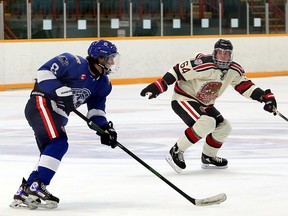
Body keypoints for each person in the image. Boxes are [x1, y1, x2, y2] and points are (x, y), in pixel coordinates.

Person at [10, 39, 120, 209]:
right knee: (58, 143)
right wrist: (60, 90)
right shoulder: (72, 62)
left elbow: (95, 112)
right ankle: (38, 186)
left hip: (58, 114)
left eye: (113, 58)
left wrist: (105, 129)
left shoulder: (103, 83)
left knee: (50, 152)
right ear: (97, 58)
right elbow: (43, 72)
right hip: (42, 103)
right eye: (109, 58)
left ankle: (25, 190)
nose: (112, 62)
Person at [140, 39, 277, 173]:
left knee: (224, 127)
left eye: (226, 53)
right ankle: (176, 151)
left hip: (205, 103)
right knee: (207, 122)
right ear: (214, 53)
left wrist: (263, 97)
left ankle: (208, 156)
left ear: (231, 55)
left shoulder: (234, 69)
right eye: (220, 53)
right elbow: (177, 70)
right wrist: (159, 85)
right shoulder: (203, 64)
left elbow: (245, 86)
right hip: (184, 99)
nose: (223, 56)